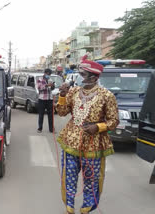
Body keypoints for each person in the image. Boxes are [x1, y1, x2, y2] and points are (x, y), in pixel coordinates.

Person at [56, 55, 119, 214]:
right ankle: (69, 207)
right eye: (80, 74)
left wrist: (98, 127)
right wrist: (62, 96)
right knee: (69, 177)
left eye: (83, 74)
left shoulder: (107, 95)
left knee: (91, 180)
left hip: (94, 144)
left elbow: (114, 121)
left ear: (94, 76)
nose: (80, 77)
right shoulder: (74, 91)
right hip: (70, 141)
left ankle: (86, 208)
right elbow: (62, 112)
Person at [37, 68, 55, 133]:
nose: (49, 75)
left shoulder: (50, 79)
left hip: (49, 99)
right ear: (45, 73)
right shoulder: (40, 79)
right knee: (41, 114)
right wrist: (47, 85)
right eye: (48, 74)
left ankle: (51, 129)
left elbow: (52, 88)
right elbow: (39, 88)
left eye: (50, 74)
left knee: (51, 115)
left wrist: (52, 86)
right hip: (42, 99)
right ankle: (40, 128)